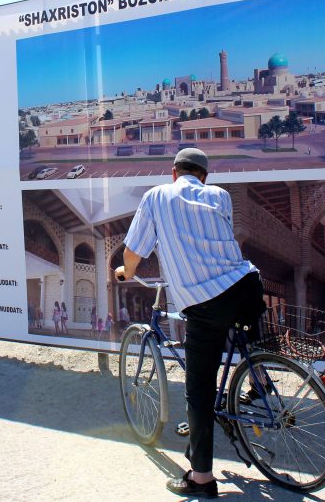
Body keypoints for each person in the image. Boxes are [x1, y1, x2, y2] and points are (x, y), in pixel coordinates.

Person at [115, 148, 264, 499]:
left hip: (206, 300)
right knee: (245, 338)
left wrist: (126, 272)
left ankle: (201, 479)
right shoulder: (221, 196)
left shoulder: (156, 196)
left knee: (198, 390)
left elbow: (133, 251)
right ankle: (258, 381)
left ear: (173, 172)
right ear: (204, 176)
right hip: (247, 284)